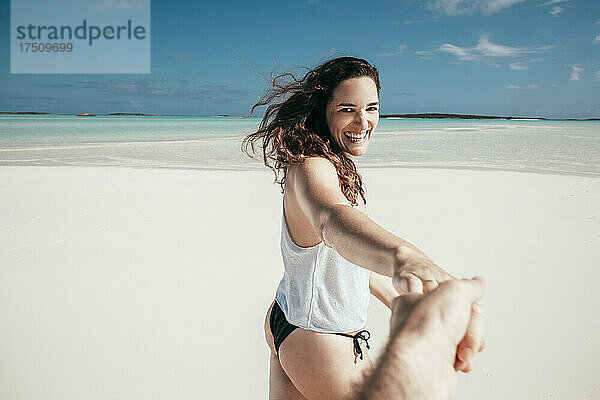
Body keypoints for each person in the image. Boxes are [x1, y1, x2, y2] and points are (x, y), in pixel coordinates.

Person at [243, 57, 478, 399]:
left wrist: (400, 300)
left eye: (371, 108)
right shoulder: (313, 165)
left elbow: (346, 258)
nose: (363, 121)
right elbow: (331, 219)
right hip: (321, 339)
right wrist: (405, 257)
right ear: (323, 111)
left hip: (288, 320)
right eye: (347, 109)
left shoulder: (333, 163)